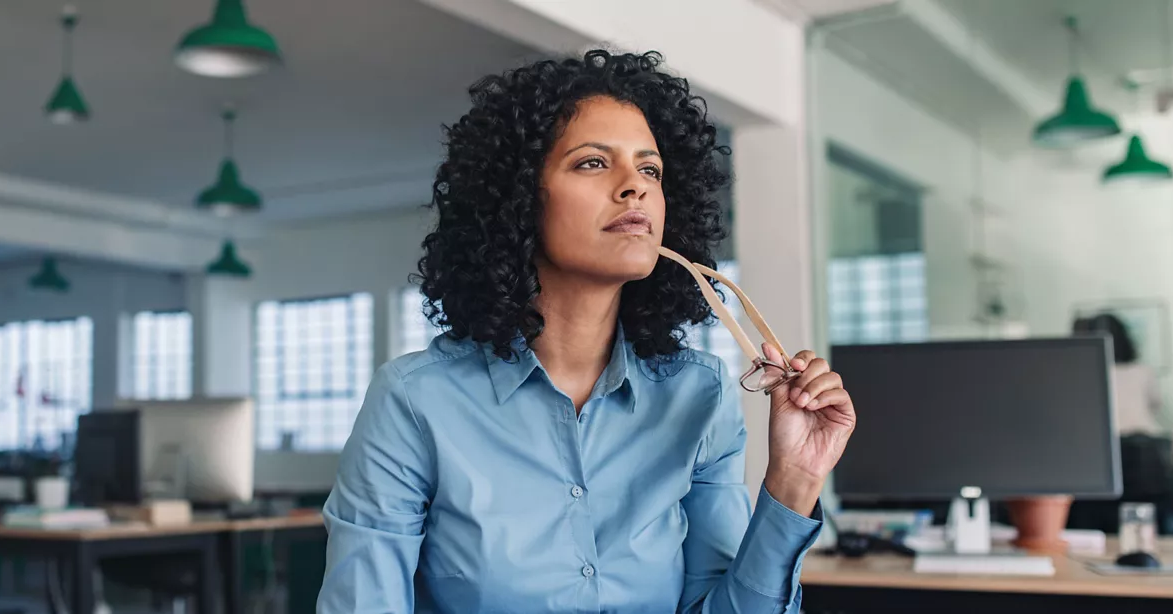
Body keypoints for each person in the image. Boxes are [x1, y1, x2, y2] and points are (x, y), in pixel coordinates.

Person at [317, 50, 856, 613]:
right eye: (593, 163)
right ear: (520, 198)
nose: (635, 188)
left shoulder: (701, 394)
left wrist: (793, 481)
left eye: (650, 169)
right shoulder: (414, 400)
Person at [1074, 313, 1163, 436]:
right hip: (1145, 439)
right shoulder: (1143, 371)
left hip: (1109, 440)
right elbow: (1156, 405)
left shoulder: (1089, 375)